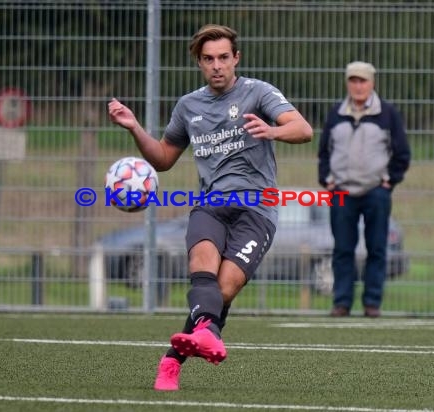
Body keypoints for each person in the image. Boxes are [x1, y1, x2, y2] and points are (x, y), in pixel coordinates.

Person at [108, 24, 312, 390]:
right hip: (211, 205)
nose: (216, 65)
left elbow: (303, 128)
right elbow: (164, 158)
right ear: (199, 63)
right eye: (208, 59)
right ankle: (205, 337)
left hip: (257, 209)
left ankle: (175, 357)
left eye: (223, 57)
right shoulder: (189, 106)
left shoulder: (258, 93)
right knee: (201, 265)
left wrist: (273, 130)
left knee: (224, 288)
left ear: (236, 58)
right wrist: (135, 128)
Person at [317, 61, 410, 318]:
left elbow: (402, 153)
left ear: (372, 83)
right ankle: (342, 303)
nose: (358, 86)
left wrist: (389, 181)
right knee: (342, 249)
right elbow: (324, 152)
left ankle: (372, 304)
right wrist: (328, 180)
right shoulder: (336, 113)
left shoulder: (388, 114)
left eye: (363, 81)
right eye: (353, 80)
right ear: (348, 83)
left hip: (376, 192)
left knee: (377, 248)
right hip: (342, 192)